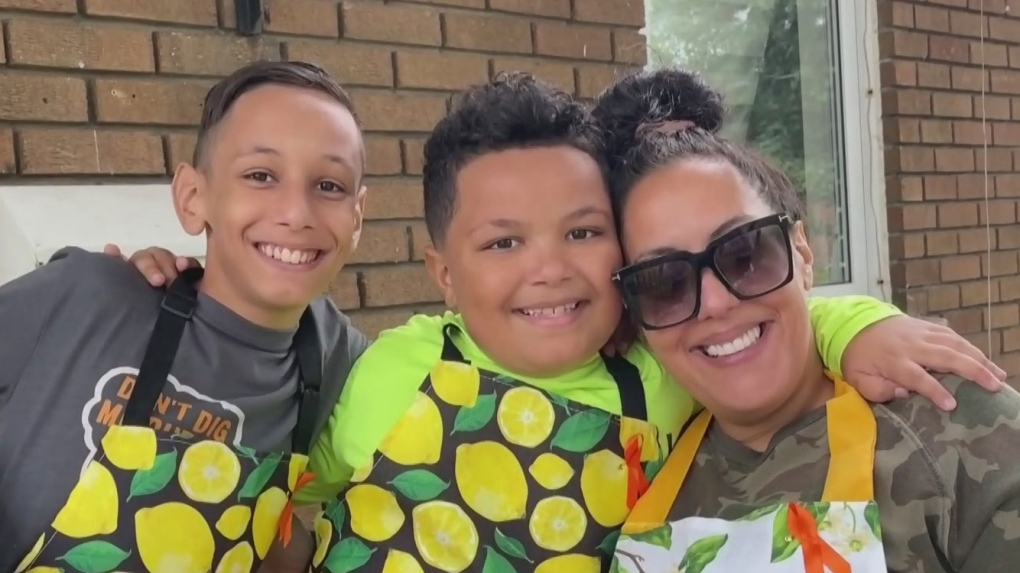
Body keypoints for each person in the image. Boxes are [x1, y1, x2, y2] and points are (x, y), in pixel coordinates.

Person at [118, 73, 1003, 572]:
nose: (548, 267)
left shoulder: (657, 376)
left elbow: (757, 313)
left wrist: (862, 327)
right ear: (443, 274)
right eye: (503, 242)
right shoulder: (385, 368)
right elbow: (294, 510)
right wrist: (172, 285)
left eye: (582, 233)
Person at [598, 68, 1020, 573]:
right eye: (663, 282)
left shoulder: (955, 428)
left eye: (744, 254)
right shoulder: (633, 472)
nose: (715, 303)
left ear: (801, 251)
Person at [0, 61, 369, 572]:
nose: (297, 212)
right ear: (194, 199)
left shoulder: (346, 363)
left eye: (329, 185)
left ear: (357, 219)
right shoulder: (86, 299)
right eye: (260, 175)